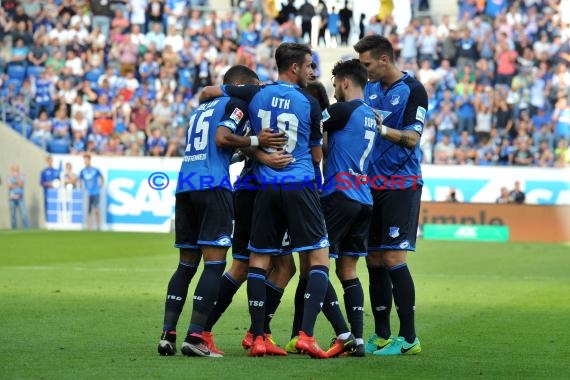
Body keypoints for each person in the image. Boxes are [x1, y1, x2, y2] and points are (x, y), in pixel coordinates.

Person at [200, 42, 341, 358]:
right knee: (247, 265)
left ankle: (257, 333)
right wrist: (260, 153)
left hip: (262, 187)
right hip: (265, 188)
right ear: (295, 68)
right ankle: (202, 331)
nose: (312, 72)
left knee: (282, 267)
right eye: (308, 66)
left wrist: (258, 152)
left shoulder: (256, 96)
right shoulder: (293, 101)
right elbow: (315, 154)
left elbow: (207, 94)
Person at [157, 65, 287, 358]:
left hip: (186, 185)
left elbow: (220, 147)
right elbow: (222, 138)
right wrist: (258, 140)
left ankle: (168, 334)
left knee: (186, 265)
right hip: (213, 187)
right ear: (242, 86)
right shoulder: (237, 103)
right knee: (214, 264)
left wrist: (251, 152)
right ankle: (195, 337)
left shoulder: (199, 110)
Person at [354, 35, 428, 356]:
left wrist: (380, 128)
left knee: (393, 258)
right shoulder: (367, 88)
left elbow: (412, 138)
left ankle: (409, 338)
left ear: (384, 59)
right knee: (373, 260)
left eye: (367, 63)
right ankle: (382, 335)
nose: (364, 69)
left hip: (402, 183)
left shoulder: (414, 90)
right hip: (371, 184)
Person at [319, 58, 378, 357]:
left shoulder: (342, 109)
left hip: (339, 194)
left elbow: (309, 128)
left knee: (315, 265)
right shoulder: (372, 115)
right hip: (363, 197)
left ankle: (344, 335)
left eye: (335, 85)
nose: (335, 91)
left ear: (344, 82)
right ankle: (357, 337)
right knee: (348, 269)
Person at [78, 154, 104, 230]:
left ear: (89, 160)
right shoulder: (83, 171)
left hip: (95, 192)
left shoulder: (95, 170)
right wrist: (81, 188)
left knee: (96, 209)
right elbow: (80, 180)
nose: (85, 161)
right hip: (87, 193)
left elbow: (102, 177)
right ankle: (90, 227)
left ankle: (98, 226)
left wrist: (101, 184)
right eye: (84, 160)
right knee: (89, 210)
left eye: (87, 160)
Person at [7, 163, 29, 230]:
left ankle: (26, 228)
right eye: (14, 169)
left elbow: (21, 185)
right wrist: (16, 185)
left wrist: (16, 178)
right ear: (12, 170)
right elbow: (9, 186)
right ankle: (14, 228)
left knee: (23, 213)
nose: (15, 171)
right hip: (12, 198)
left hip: (20, 197)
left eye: (16, 169)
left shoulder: (21, 177)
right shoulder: (9, 177)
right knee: (13, 214)